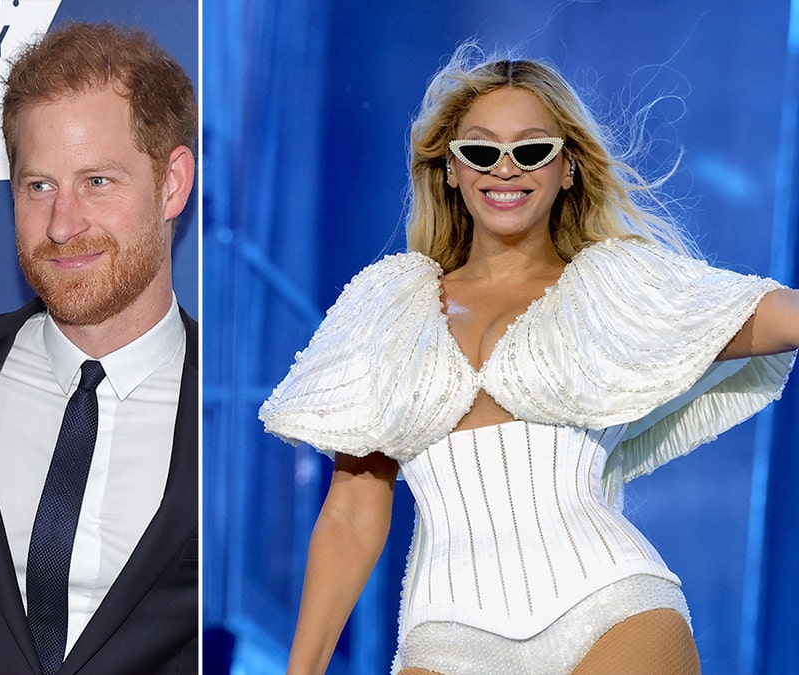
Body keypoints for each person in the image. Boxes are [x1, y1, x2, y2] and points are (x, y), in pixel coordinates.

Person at [260, 45, 799, 675]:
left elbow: (776, 316)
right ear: (452, 170)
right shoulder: (389, 308)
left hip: (613, 602)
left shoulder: (613, 289)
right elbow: (352, 511)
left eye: (533, 149)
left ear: (567, 167)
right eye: (482, 151)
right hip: (446, 634)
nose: (506, 168)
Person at [0, 22, 198, 675]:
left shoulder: (248, 411)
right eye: (37, 186)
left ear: (172, 183)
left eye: (97, 182)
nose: (62, 224)